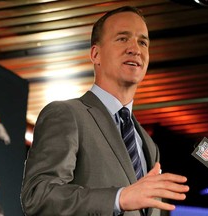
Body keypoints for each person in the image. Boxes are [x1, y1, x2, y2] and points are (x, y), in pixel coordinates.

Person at [20, 6, 189, 216]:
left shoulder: (148, 144)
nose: (135, 48)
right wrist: (119, 198)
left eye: (142, 42)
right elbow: (38, 197)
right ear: (95, 54)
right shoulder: (66, 114)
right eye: (122, 39)